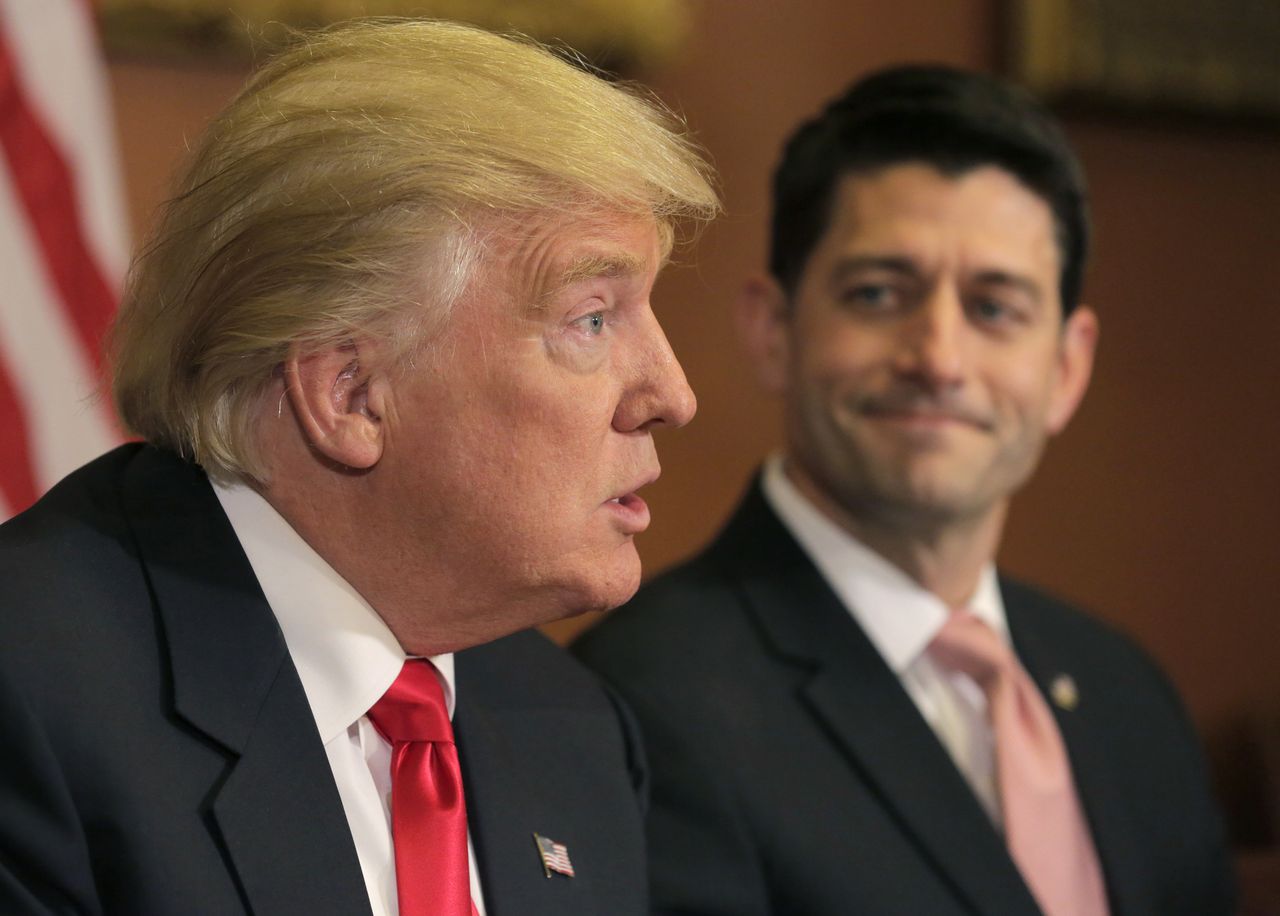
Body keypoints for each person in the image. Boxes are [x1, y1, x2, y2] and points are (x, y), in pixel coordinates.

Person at [0, 18, 717, 915]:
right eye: (593, 319)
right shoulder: (31, 694)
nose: (671, 393)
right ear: (349, 394)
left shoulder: (571, 731)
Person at [574, 65, 1234, 915]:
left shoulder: (1126, 692)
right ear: (773, 330)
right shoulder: (645, 702)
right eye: (879, 294)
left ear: (1067, 368)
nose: (939, 358)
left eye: (995, 308)